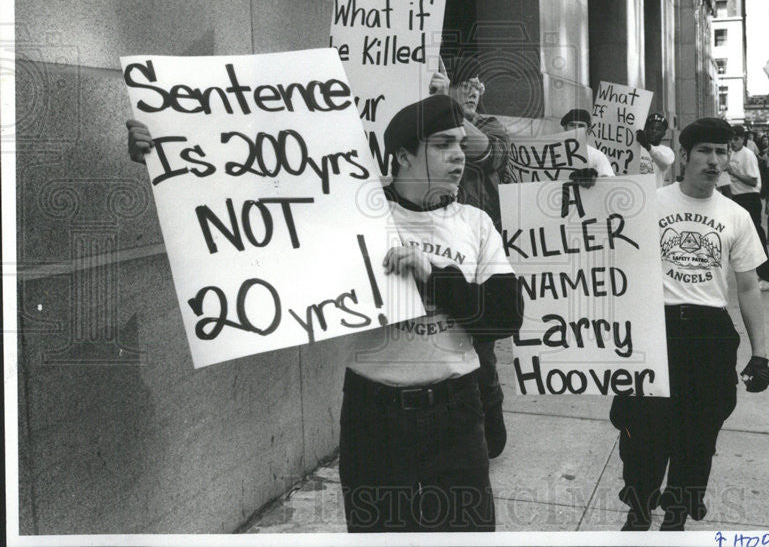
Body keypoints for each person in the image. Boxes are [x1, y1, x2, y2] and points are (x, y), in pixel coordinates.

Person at [128, 95, 524, 532]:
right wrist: (167, 155)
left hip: (457, 413)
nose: (459, 156)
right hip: (377, 417)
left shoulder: (475, 222)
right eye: (443, 145)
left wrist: (435, 277)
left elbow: (505, 317)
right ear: (404, 155)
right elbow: (245, 216)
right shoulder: (351, 216)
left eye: (461, 144)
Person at [609, 117, 769, 532]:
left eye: (722, 152)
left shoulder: (736, 216)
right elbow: (600, 239)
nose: (715, 161)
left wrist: (761, 353)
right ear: (684, 156)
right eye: (705, 151)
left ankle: (678, 509)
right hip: (654, 328)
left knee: (698, 434)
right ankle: (639, 506)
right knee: (641, 431)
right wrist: (587, 187)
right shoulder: (650, 202)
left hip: (709, 333)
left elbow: (749, 287)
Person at [429, 70, 512, 458]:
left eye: (480, 83)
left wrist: (447, 106)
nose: (476, 89)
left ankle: (490, 430)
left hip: (477, 250)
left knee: (481, 349)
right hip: (432, 246)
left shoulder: (489, 125)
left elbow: (488, 153)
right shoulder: (422, 124)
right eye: (467, 83)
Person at [726, 126, 769, 291]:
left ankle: (767, 277)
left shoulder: (747, 155)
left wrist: (733, 172)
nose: (733, 143)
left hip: (749, 198)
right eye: (731, 139)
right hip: (736, 198)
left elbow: (754, 181)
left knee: (756, 238)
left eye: (736, 139)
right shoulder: (731, 153)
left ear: (743, 139)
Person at [561, 108, 615, 177]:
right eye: (572, 125)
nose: (576, 129)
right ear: (565, 128)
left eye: (581, 126)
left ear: (588, 130)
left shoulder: (597, 156)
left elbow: (609, 182)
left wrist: (596, 178)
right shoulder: (552, 153)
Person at [637, 112, 676, 188]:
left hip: (653, 197)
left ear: (663, 134)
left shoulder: (667, 151)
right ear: (645, 129)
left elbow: (665, 161)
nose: (654, 131)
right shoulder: (635, 148)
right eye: (651, 128)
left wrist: (648, 147)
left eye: (658, 129)